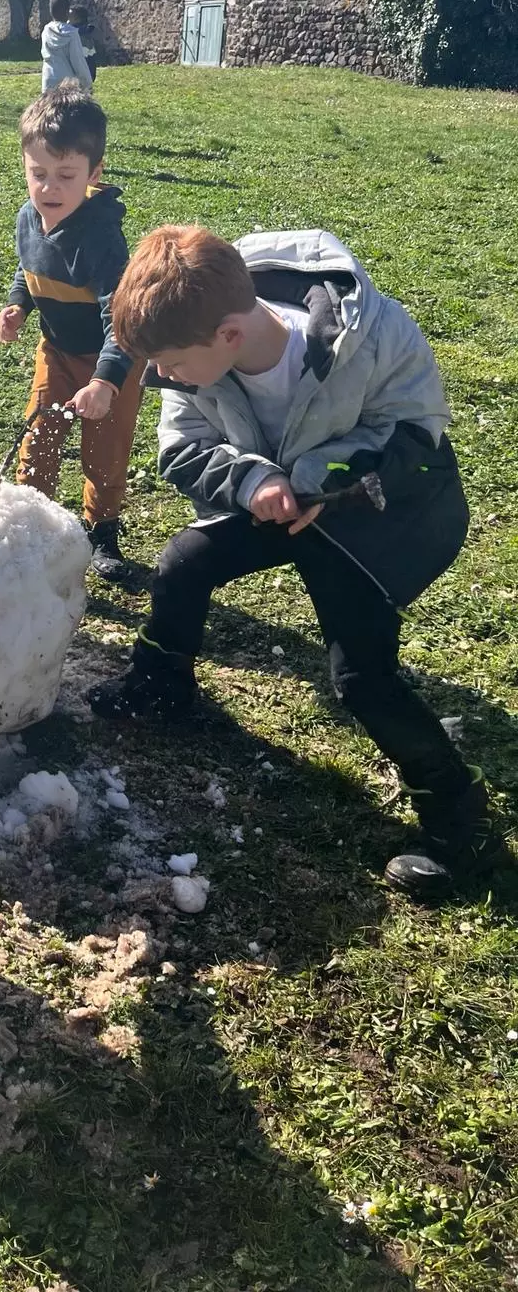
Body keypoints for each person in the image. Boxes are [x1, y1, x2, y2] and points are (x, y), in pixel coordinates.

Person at [87, 223, 503, 900]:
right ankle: (162, 687)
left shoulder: (375, 335)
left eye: (172, 365)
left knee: (361, 678)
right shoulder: (188, 338)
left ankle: (460, 819)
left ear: (228, 336)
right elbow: (181, 446)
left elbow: (415, 437)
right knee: (183, 563)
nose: (163, 376)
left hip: (377, 510)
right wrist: (255, 482)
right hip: (278, 494)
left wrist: (317, 480)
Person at [0, 85, 143, 584]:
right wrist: (17, 303)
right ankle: (30, 520)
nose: (49, 188)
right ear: (23, 166)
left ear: (93, 174)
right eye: (38, 174)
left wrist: (104, 382)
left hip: (109, 360)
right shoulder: (28, 217)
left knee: (105, 447)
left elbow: (119, 321)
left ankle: (101, 530)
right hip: (56, 351)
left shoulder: (101, 238)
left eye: (65, 176)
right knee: (39, 433)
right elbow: (28, 266)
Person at [40, 0, 93, 93]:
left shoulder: (46, 30)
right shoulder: (72, 33)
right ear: (67, 12)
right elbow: (78, 61)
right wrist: (87, 83)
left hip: (48, 80)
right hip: (68, 83)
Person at [68, 1, 97, 85]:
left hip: (84, 73)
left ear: (78, 18)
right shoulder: (77, 31)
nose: (68, 16)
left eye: (70, 14)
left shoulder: (82, 34)